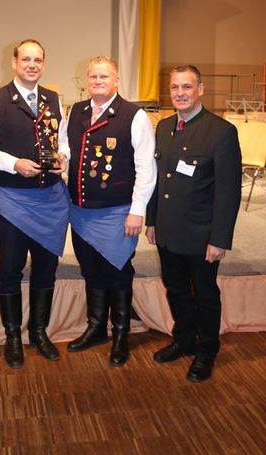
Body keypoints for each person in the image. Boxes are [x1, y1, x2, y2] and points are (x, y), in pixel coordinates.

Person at [0, 39, 70, 368]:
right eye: (26, 59)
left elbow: (63, 140)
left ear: (44, 64)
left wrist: (63, 158)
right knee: (10, 269)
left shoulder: (53, 98)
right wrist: (14, 164)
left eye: (38, 60)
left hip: (51, 201)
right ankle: (13, 335)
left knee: (46, 269)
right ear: (14, 62)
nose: (32, 65)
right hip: (12, 201)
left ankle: (39, 332)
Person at [146, 65, 242, 382]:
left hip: (201, 235)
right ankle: (184, 340)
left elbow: (228, 193)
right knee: (175, 290)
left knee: (205, 295)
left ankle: (207, 351)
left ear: (200, 89)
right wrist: (152, 221)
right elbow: (158, 180)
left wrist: (219, 239)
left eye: (186, 87)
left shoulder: (221, 132)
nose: (180, 93)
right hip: (168, 230)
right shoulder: (163, 127)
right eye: (175, 87)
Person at [67, 56, 156, 366]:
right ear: (86, 80)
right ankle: (96, 329)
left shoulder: (134, 116)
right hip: (81, 211)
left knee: (117, 272)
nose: (98, 81)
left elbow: (146, 167)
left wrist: (137, 210)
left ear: (116, 80)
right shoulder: (76, 111)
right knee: (91, 270)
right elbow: (67, 150)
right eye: (93, 76)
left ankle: (120, 335)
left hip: (118, 212)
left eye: (104, 76)